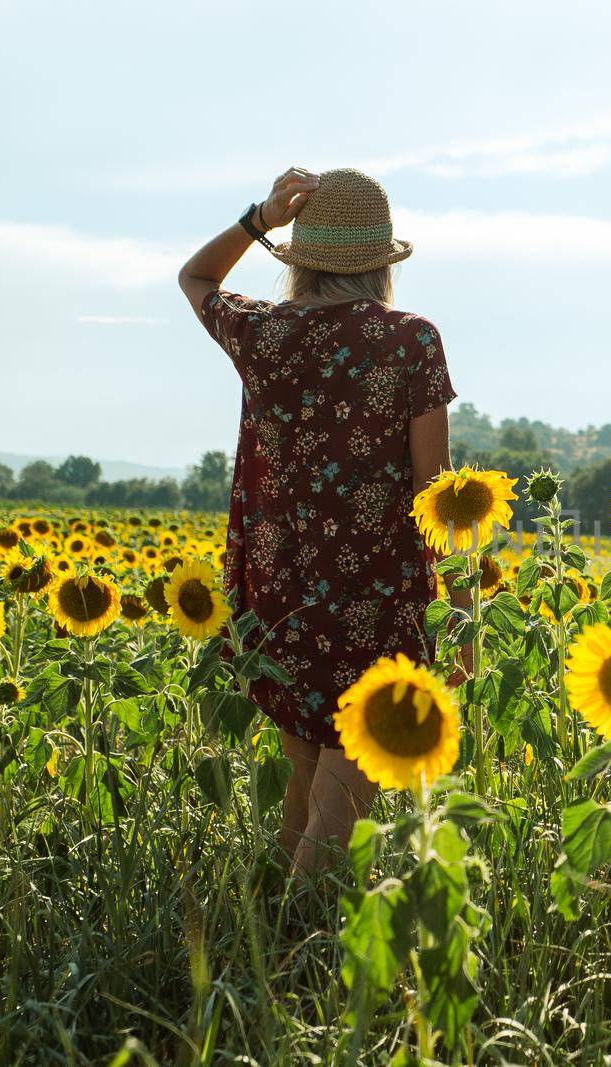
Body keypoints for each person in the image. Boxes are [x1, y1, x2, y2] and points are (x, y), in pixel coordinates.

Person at [178, 166, 465, 874]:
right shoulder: (412, 341)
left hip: (279, 600)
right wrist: (460, 610)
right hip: (376, 601)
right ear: (381, 261)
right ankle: (288, 966)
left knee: (307, 790)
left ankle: (261, 941)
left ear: (300, 258)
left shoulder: (264, 331)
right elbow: (436, 494)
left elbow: (195, 279)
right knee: (338, 813)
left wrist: (260, 219)